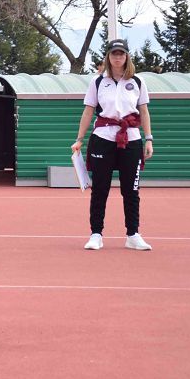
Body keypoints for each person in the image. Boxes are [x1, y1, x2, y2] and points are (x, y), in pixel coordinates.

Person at [71, 39, 154, 251]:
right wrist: (79, 139)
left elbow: (143, 111)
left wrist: (149, 138)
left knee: (131, 190)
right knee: (100, 189)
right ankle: (96, 234)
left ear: (127, 56)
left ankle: (133, 234)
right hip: (103, 138)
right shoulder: (98, 82)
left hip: (132, 139)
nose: (118, 57)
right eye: (114, 53)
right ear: (108, 56)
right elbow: (88, 111)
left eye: (122, 53)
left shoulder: (137, 81)